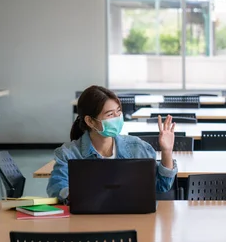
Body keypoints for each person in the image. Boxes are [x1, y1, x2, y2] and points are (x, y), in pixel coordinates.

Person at [47, 85, 177, 201]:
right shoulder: (69, 153)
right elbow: (56, 187)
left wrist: (166, 151)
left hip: (132, 219)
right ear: (90, 121)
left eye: (118, 112)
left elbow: (162, 186)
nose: (117, 118)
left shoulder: (137, 147)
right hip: (89, 220)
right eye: (110, 114)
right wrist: (81, 195)